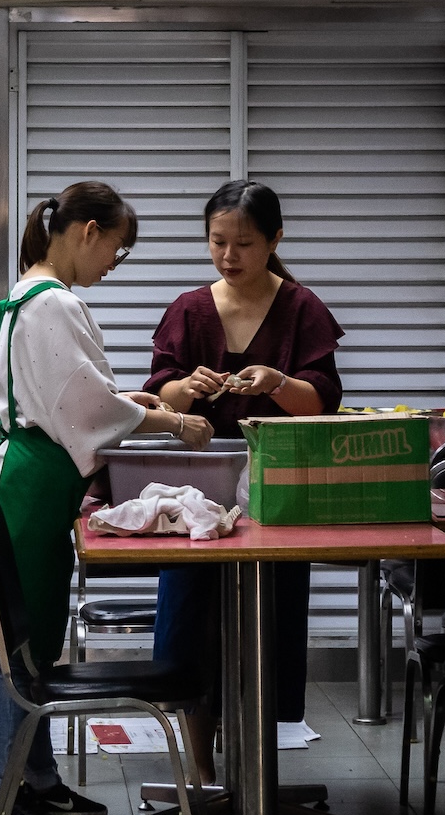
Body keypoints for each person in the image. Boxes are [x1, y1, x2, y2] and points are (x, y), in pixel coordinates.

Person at [0, 181, 213, 815]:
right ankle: (1, 794)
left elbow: (66, 395)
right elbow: (86, 410)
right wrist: (169, 421)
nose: (113, 263)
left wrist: (131, 400)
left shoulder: (27, 292)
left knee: (35, 646)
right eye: (116, 248)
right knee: (16, 656)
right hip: (33, 484)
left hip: (26, 476)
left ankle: (38, 779)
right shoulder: (54, 303)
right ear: (86, 232)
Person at [146, 180, 345, 778]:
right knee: (191, 618)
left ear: (275, 240)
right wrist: (188, 390)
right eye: (217, 242)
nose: (229, 256)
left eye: (244, 244)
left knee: (270, 619)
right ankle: (202, 768)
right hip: (198, 489)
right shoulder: (189, 308)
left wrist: (277, 383)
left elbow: (324, 403)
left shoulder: (302, 307)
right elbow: (158, 393)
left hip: (278, 488)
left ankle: (253, 768)